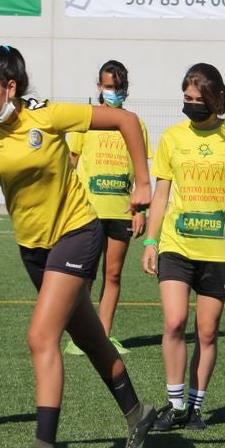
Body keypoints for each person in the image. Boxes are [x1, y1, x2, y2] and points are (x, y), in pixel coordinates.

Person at [0, 45, 156, 448]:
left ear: (10, 88)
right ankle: (137, 412)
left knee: (40, 336)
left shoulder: (46, 115)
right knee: (90, 338)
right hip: (33, 249)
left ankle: (44, 446)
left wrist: (143, 182)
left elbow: (125, 121)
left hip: (76, 232)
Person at [142, 63, 225, 431]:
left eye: (199, 99)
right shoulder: (172, 137)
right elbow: (161, 193)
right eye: (187, 98)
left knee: (207, 331)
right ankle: (175, 405)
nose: (192, 105)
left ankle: (195, 407)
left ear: (217, 99)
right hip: (176, 245)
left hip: (217, 249)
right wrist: (151, 239)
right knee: (175, 321)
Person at [64, 59, 151, 356]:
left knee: (113, 275)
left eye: (119, 87)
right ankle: (79, 338)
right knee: (86, 275)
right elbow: (70, 164)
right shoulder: (84, 120)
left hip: (122, 212)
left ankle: (103, 336)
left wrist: (140, 210)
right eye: (109, 86)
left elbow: (141, 171)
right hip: (88, 211)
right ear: (98, 87)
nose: (114, 92)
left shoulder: (135, 123)